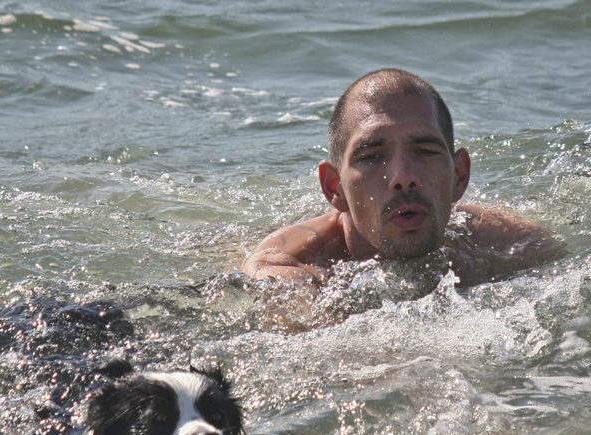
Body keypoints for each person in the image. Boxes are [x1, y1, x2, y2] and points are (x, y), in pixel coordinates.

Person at [242, 68, 565, 288]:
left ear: (459, 176)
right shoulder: (287, 272)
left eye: (424, 151)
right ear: (334, 187)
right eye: (371, 156)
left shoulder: (515, 246)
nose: (403, 178)